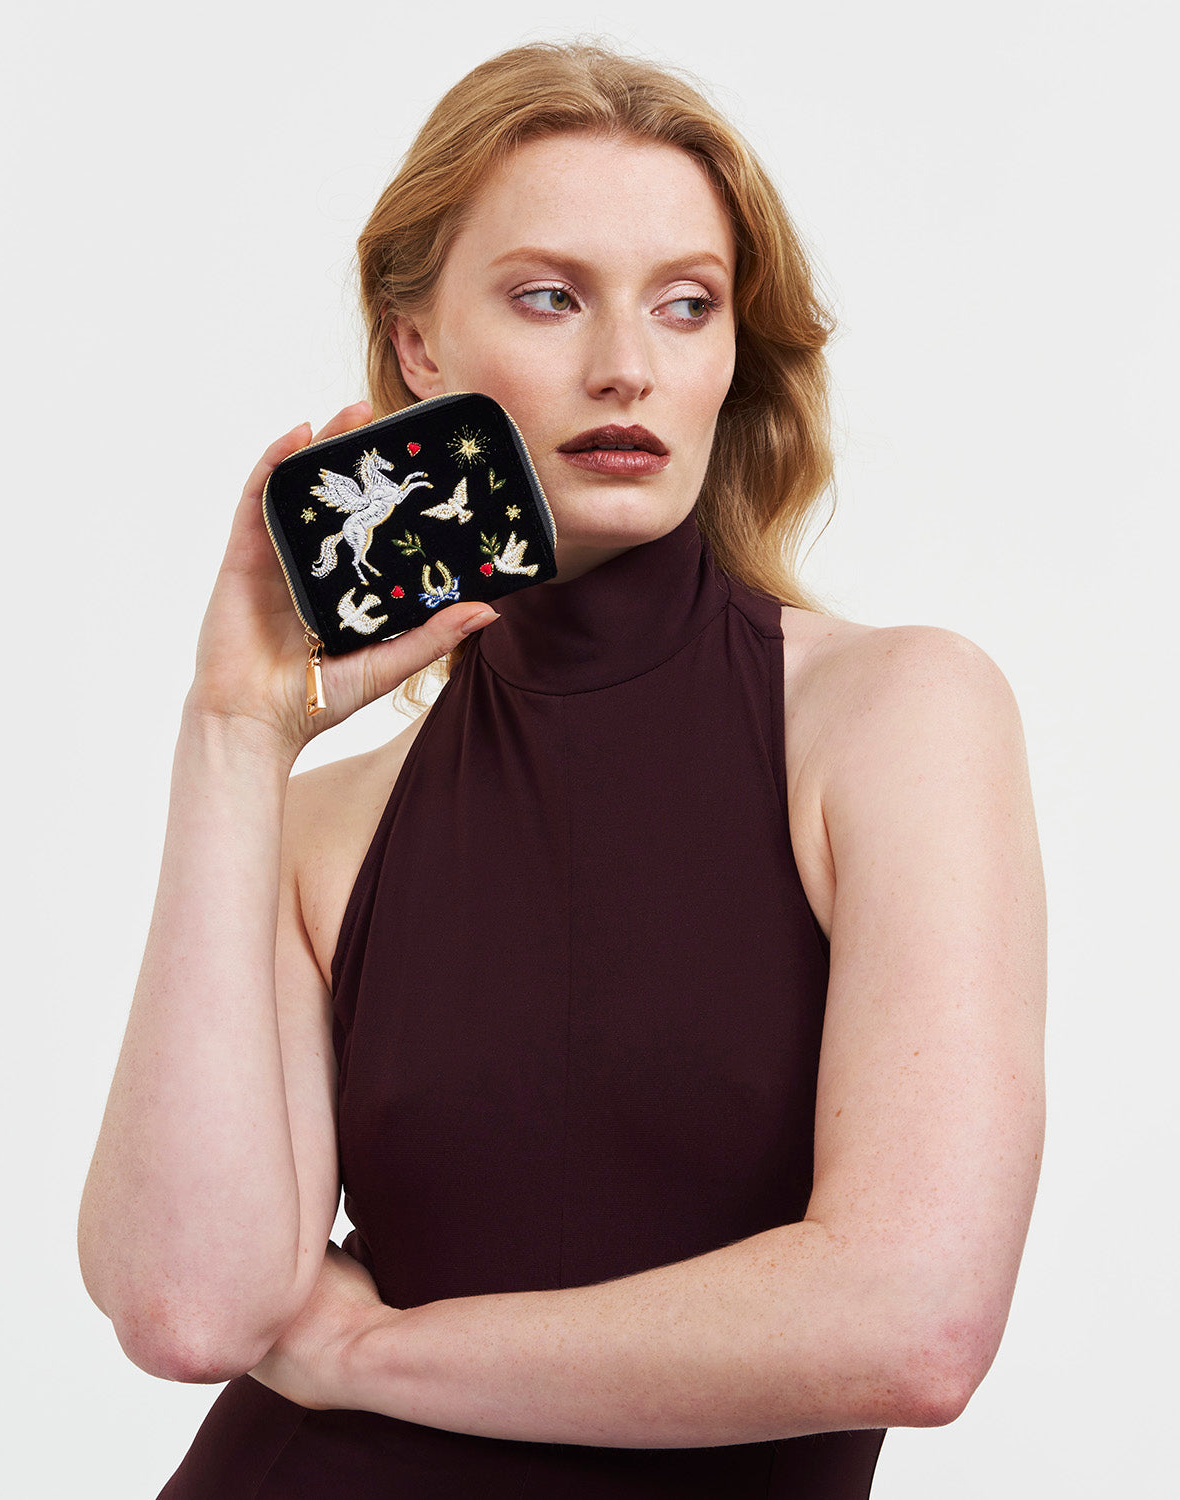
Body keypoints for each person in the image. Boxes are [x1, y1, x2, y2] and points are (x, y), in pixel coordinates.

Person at [77, 39, 1047, 1500]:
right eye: (550, 296)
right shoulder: (324, 827)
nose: (626, 366)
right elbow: (188, 1309)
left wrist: (371, 1355)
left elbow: (916, 1326)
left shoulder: (897, 716)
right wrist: (232, 735)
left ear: (732, 351)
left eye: (686, 303)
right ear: (420, 348)